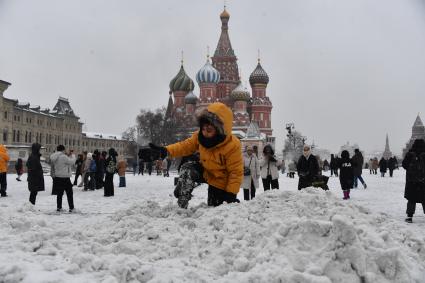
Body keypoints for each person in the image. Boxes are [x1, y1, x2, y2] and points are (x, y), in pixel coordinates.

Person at [149, 102, 243, 208]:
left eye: (209, 130)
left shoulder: (232, 145)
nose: (205, 133)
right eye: (203, 129)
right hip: (205, 171)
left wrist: (231, 194)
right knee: (187, 168)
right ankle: (182, 199)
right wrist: (165, 151)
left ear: (219, 130)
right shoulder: (199, 137)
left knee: (216, 209)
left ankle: (220, 201)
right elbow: (184, 146)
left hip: (220, 180)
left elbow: (235, 173)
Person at [402, 139, 425, 223]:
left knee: (411, 199)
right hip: (423, 181)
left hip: (412, 181)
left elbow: (404, 165)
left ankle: (409, 216)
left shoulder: (410, 154)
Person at [50, 145, 76, 212]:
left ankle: (59, 207)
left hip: (58, 177)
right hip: (65, 177)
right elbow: (71, 162)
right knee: (69, 193)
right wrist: (73, 155)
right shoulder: (63, 156)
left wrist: (68, 155)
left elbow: (65, 162)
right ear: (63, 150)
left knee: (59, 194)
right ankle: (71, 208)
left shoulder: (54, 156)